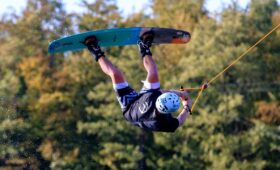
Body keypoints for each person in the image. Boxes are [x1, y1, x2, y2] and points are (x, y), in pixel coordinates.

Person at [84, 32, 192, 132]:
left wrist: (182, 96)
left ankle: (94, 49)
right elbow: (180, 120)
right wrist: (186, 105)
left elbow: (179, 119)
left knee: (115, 74)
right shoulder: (158, 97)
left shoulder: (165, 123)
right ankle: (144, 46)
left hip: (130, 108)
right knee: (153, 72)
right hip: (146, 99)